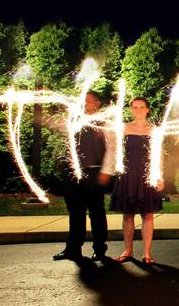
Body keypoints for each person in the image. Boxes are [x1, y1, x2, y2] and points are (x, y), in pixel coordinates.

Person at [53, 91, 116, 262]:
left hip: (94, 172)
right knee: (75, 211)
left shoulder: (106, 123)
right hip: (73, 172)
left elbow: (112, 148)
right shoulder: (75, 120)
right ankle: (73, 248)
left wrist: (106, 172)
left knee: (96, 211)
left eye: (89, 101)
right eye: (83, 101)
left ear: (98, 103)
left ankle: (99, 249)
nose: (85, 104)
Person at [110, 97, 164, 264]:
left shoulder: (154, 130)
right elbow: (115, 151)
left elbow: (159, 155)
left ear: (147, 109)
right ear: (131, 109)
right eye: (135, 107)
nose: (138, 110)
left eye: (142, 107)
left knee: (148, 214)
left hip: (148, 174)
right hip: (129, 174)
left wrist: (160, 175)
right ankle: (128, 250)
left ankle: (147, 253)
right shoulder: (125, 128)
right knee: (128, 214)